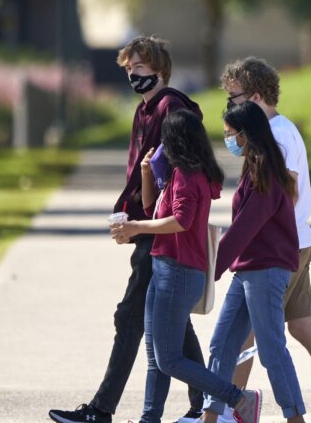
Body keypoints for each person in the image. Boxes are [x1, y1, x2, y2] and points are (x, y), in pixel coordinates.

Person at [50, 35, 207, 423]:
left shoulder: (171, 108)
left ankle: (102, 410)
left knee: (130, 318)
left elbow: (174, 173)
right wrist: (127, 211)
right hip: (146, 224)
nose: (132, 74)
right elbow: (141, 168)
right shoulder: (145, 109)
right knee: (173, 321)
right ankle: (206, 404)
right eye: (129, 68)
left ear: (159, 70)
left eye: (139, 67)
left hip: (159, 228)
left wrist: (138, 223)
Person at [218, 58, 311, 423]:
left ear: (256, 97)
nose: (229, 107)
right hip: (298, 244)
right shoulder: (274, 130)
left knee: (247, 333)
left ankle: (228, 411)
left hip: (280, 251)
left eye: (234, 98)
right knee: (301, 325)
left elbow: (282, 195)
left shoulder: (278, 135)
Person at [109, 109, 262, 423]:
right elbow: (155, 211)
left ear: (174, 139)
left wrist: (135, 228)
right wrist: (147, 173)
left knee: (170, 360)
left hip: (178, 272)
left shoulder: (188, 176)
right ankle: (149, 419)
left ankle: (238, 398)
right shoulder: (180, 172)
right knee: (156, 356)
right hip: (164, 268)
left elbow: (181, 221)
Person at [202, 101, 307, 423]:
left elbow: (244, 228)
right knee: (221, 346)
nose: (228, 141)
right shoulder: (255, 168)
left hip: (265, 271)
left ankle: (295, 418)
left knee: (273, 351)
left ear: (247, 135)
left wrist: (209, 271)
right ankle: (209, 416)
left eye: (230, 134)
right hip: (248, 270)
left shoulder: (266, 175)